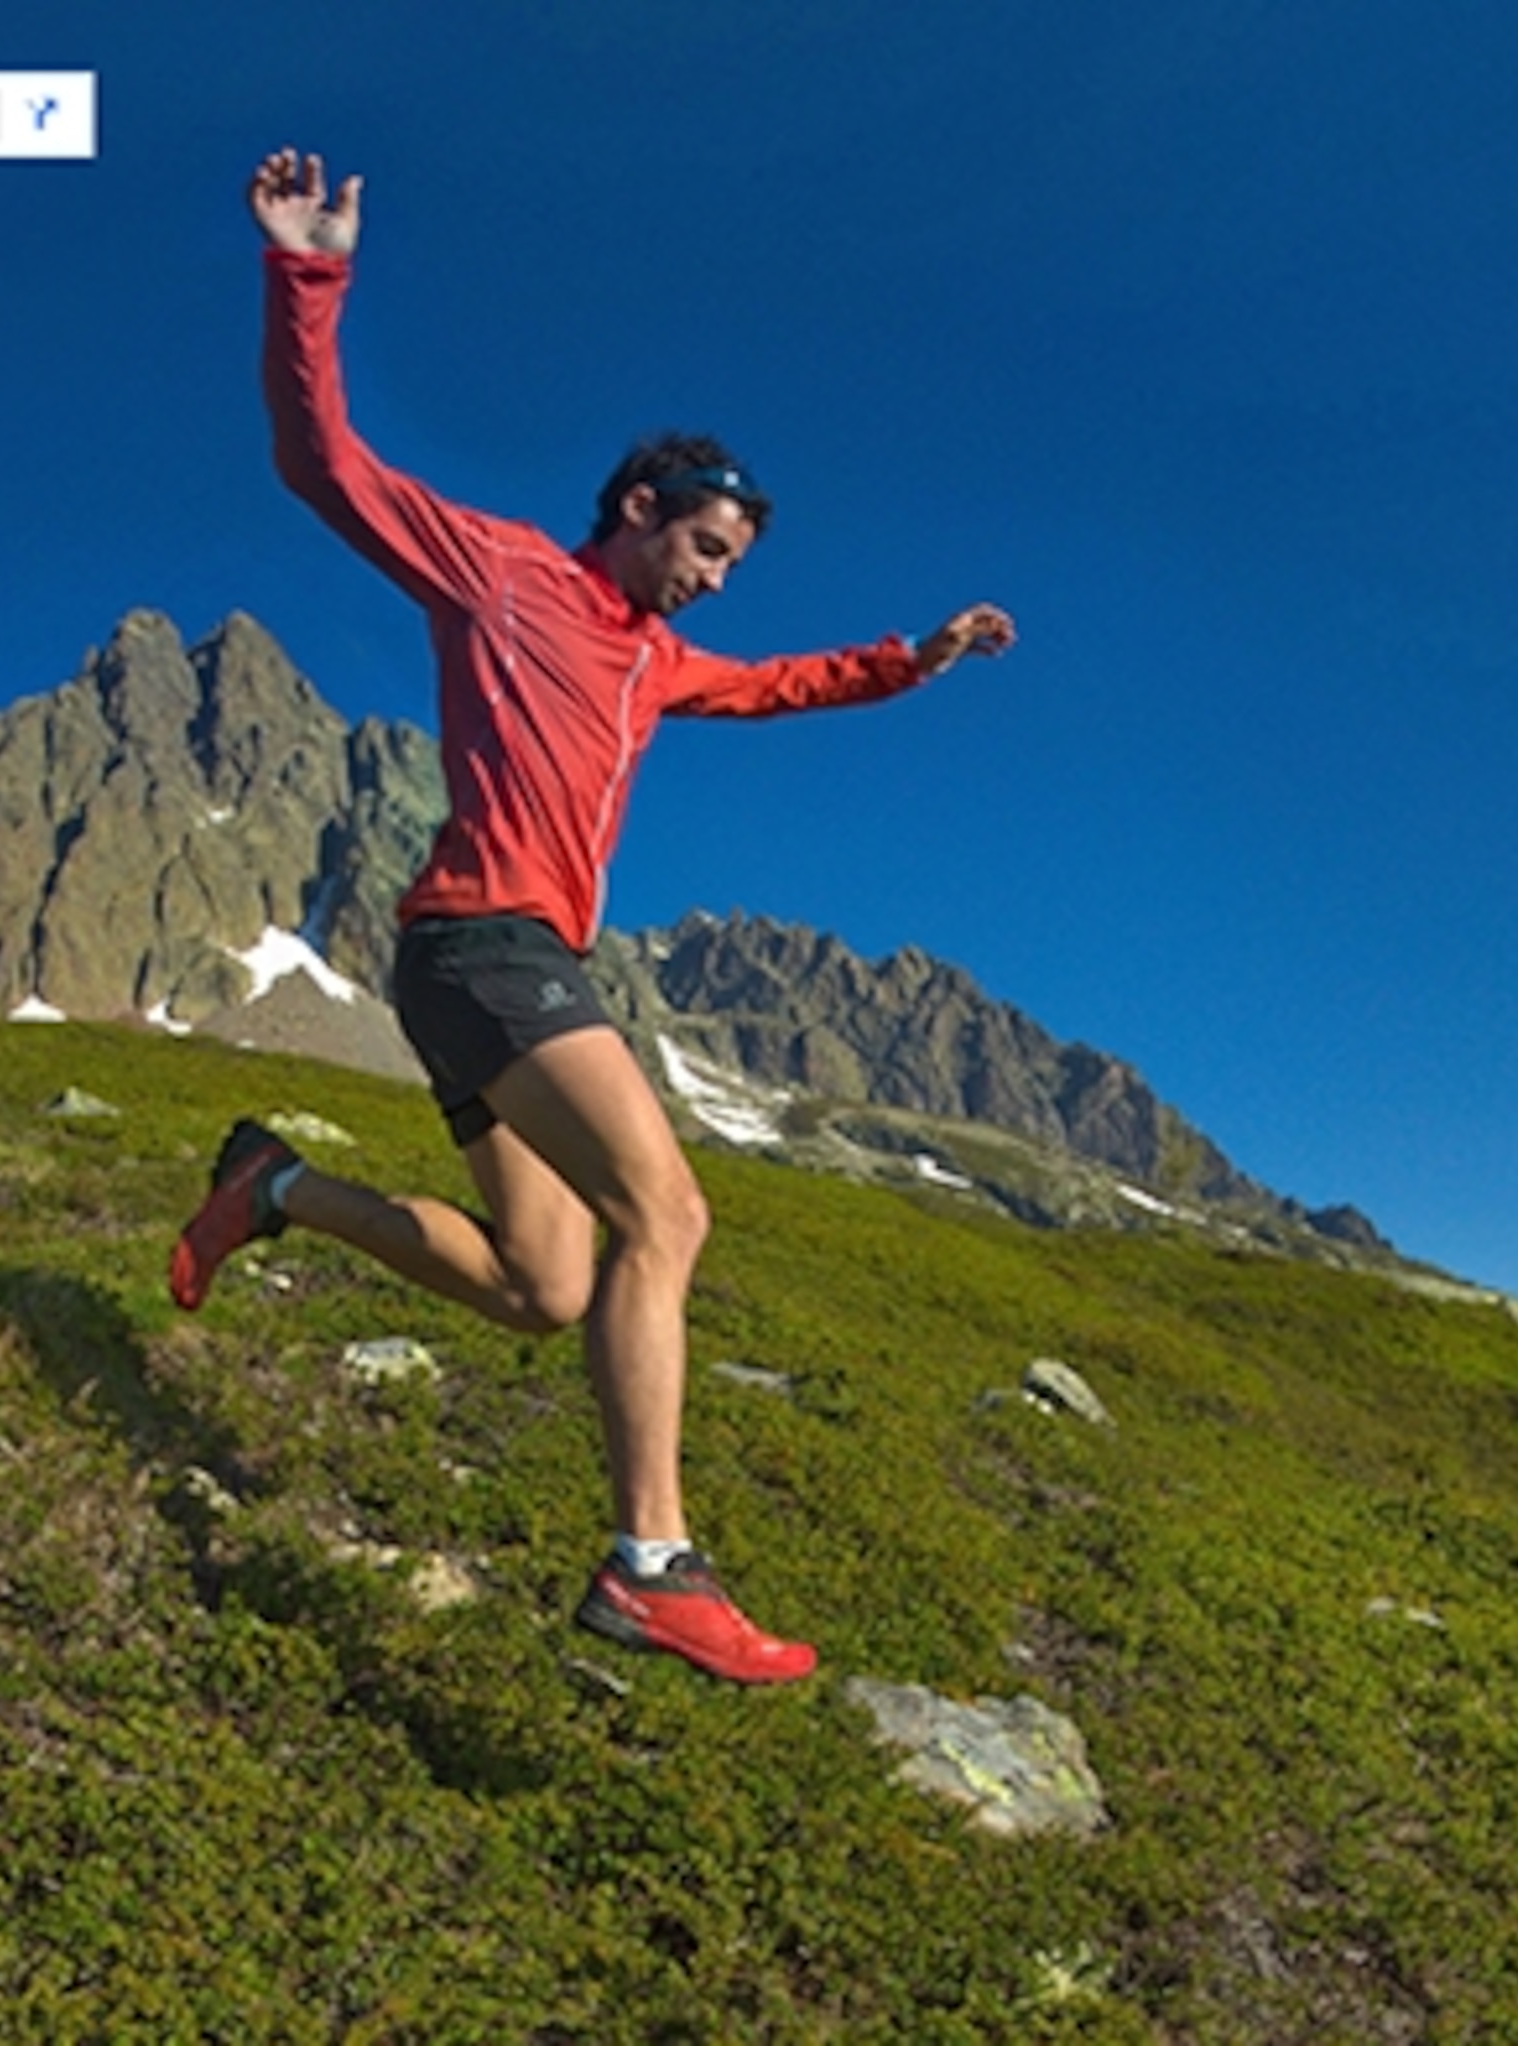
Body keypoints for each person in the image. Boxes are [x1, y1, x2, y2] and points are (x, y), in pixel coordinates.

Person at [170, 148, 1016, 1685]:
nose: (710, 583)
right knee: (670, 1212)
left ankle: (273, 1185)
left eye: (731, 565)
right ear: (638, 507)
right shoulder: (499, 572)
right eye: (703, 549)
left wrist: (917, 655)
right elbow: (324, 461)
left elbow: (775, 684)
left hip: (497, 965)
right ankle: (649, 1562)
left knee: (543, 1286)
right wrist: (308, 272)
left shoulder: (657, 659)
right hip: (482, 941)